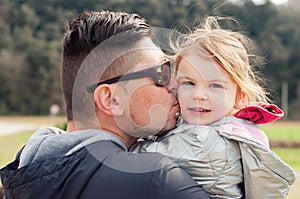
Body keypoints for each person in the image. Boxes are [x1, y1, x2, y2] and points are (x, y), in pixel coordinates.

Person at [0, 11, 209, 199]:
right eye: (161, 73)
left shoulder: (24, 174)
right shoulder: (155, 180)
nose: (175, 83)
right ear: (111, 99)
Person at [134, 16, 296, 198]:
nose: (199, 95)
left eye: (215, 86)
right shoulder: (205, 128)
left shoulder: (207, 143)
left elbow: (137, 158)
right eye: (189, 83)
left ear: (239, 98)